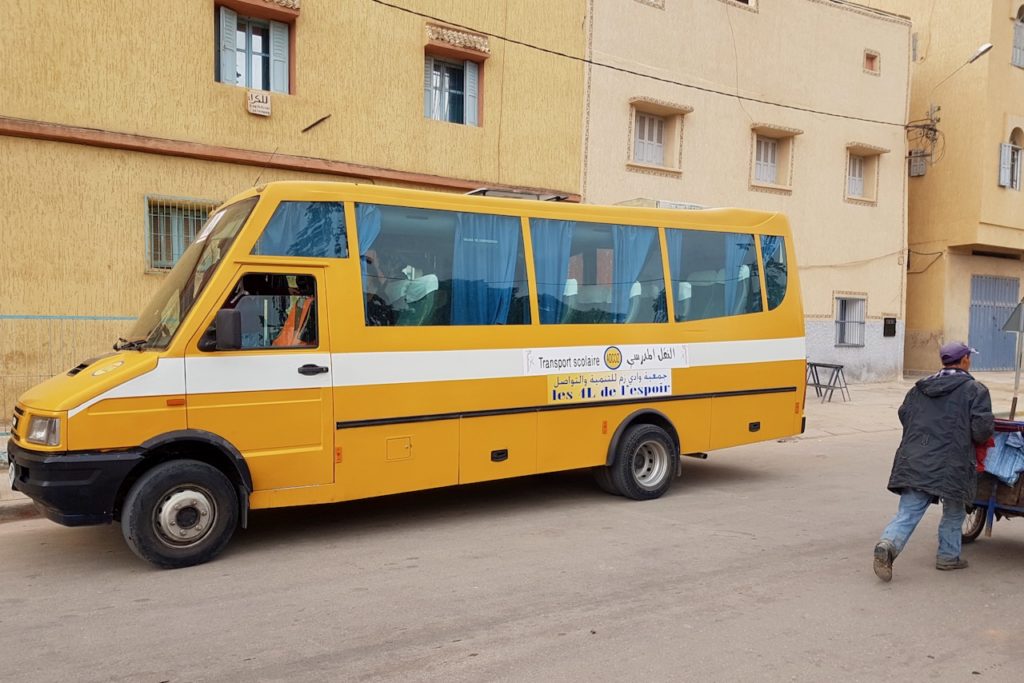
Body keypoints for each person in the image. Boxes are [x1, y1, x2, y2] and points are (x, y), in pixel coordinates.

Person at [873, 341, 994, 582]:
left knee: (908, 511)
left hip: (917, 457)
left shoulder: (919, 388)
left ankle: (887, 545)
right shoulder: (975, 390)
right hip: (954, 462)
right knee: (954, 511)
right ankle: (948, 556)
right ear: (965, 361)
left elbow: (904, 415)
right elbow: (982, 431)